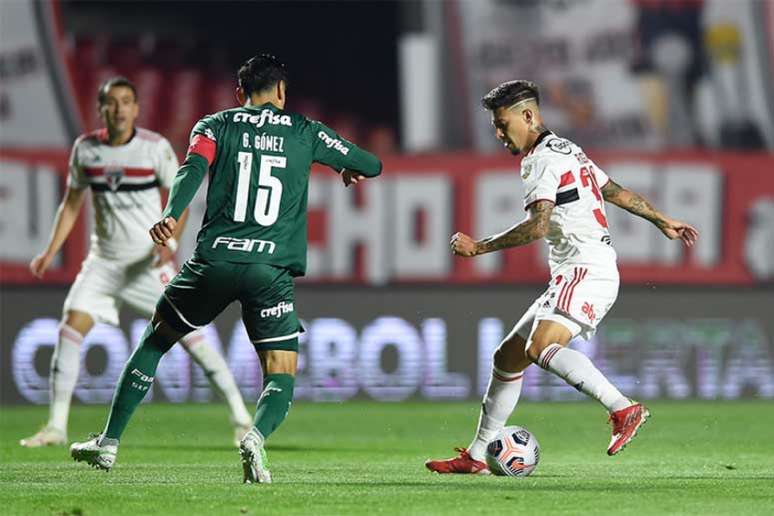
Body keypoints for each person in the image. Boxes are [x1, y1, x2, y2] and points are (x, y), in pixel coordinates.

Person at [69, 54, 382, 483]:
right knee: (281, 371)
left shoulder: (215, 124)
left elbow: (192, 168)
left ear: (240, 94)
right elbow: (373, 164)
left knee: (156, 341)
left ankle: (108, 444)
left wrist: (171, 215)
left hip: (213, 262)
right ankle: (255, 437)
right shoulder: (306, 131)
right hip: (270, 272)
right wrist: (345, 166)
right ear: (282, 92)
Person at [426, 80, 699, 474]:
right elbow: (613, 190)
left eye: (503, 125)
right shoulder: (567, 148)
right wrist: (661, 219)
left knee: (540, 348)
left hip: (584, 270)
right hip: (581, 270)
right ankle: (477, 456)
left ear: (528, 115)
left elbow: (538, 226)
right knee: (507, 356)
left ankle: (623, 409)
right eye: (495, 127)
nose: (499, 135)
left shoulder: (540, 161)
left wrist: (479, 247)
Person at [21, 77, 253, 449]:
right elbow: (72, 203)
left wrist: (172, 242)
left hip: (147, 262)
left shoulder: (154, 149)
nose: (119, 109)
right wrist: (50, 251)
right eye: (112, 103)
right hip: (103, 262)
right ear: (101, 109)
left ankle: (241, 417)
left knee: (192, 338)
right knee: (70, 327)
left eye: (126, 101)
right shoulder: (85, 150)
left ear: (136, 108)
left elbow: (184, 197)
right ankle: (56, 427)